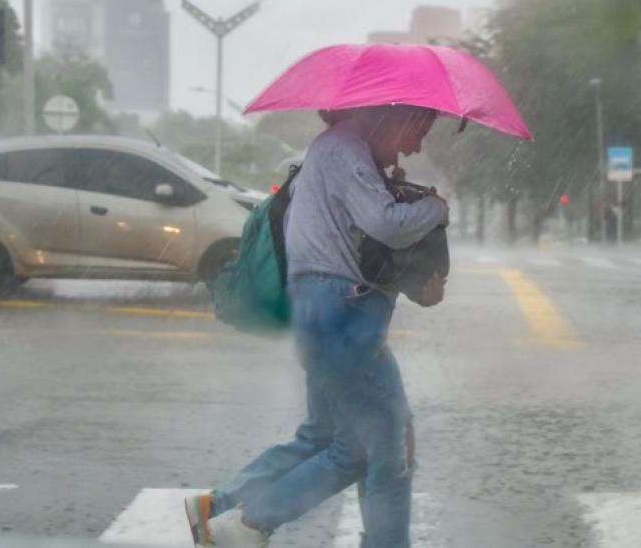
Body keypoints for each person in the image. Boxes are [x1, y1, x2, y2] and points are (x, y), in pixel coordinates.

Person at [186, 104, 448, 548]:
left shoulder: (340, 154)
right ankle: (247, 524)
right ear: (394, 117)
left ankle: (226, 509)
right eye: (417, 129)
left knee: (327, 438)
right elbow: (386, 224)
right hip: (344, 318)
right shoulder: (344, 151)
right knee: (384, 452)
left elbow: (363, 249)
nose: (415, 145)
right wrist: (433, 207)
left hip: (326, 315)